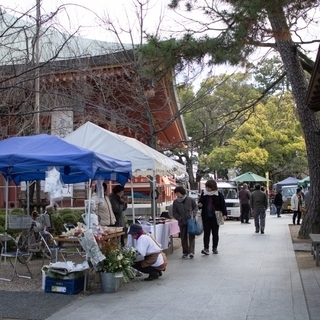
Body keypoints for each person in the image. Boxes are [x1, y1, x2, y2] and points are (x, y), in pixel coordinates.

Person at [198, 179, 228, 255]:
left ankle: (215, 248)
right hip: (206, 216)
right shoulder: (204, 194)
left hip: (216, 216)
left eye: (209, 187)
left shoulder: (218, 194)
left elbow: (223, 205)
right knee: (206, 233)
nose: (207, 189)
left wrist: (225, 214)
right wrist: (200, 205)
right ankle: (206, 248)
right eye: (207, 187)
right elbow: (200, 202)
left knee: (215, 233)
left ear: (213, 187)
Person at [172, 186, 198, 259]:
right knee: (183, 237)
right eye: (176, 193)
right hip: (182, 222)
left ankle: (191, 252)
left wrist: (193, 215)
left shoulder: (190, 200)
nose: (177, 195)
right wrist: (179, 218)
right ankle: (185, 252)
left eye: (178, 193)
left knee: (191, 237)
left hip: (190, 221)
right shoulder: (175, 202)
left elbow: (195, 208)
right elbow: (174, 213)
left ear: (182, 192)